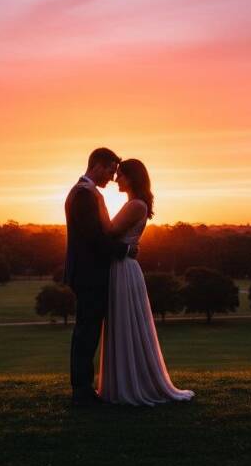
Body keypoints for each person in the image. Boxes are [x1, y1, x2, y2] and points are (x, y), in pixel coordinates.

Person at [89, 158, 194, 406]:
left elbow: (110, 231)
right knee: (120, 322)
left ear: (132, 177)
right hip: (122, 266)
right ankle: (123, 381)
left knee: (125, 320)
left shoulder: (136, 205)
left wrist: (98, 202)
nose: (116, 179)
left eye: (121, 175)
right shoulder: (133, 204)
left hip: (123, 269)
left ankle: (132, 384)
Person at [63, 147, 132, 406]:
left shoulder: (85, 192)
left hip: (87, 272)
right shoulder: (83, 195)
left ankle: (83, 388)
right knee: (87, 332)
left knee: (88, 330)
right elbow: (93, 238)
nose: (112, 177)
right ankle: (81, 391)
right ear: (98, 166)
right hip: (88, 273)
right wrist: (125, 250)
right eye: (110, 171)